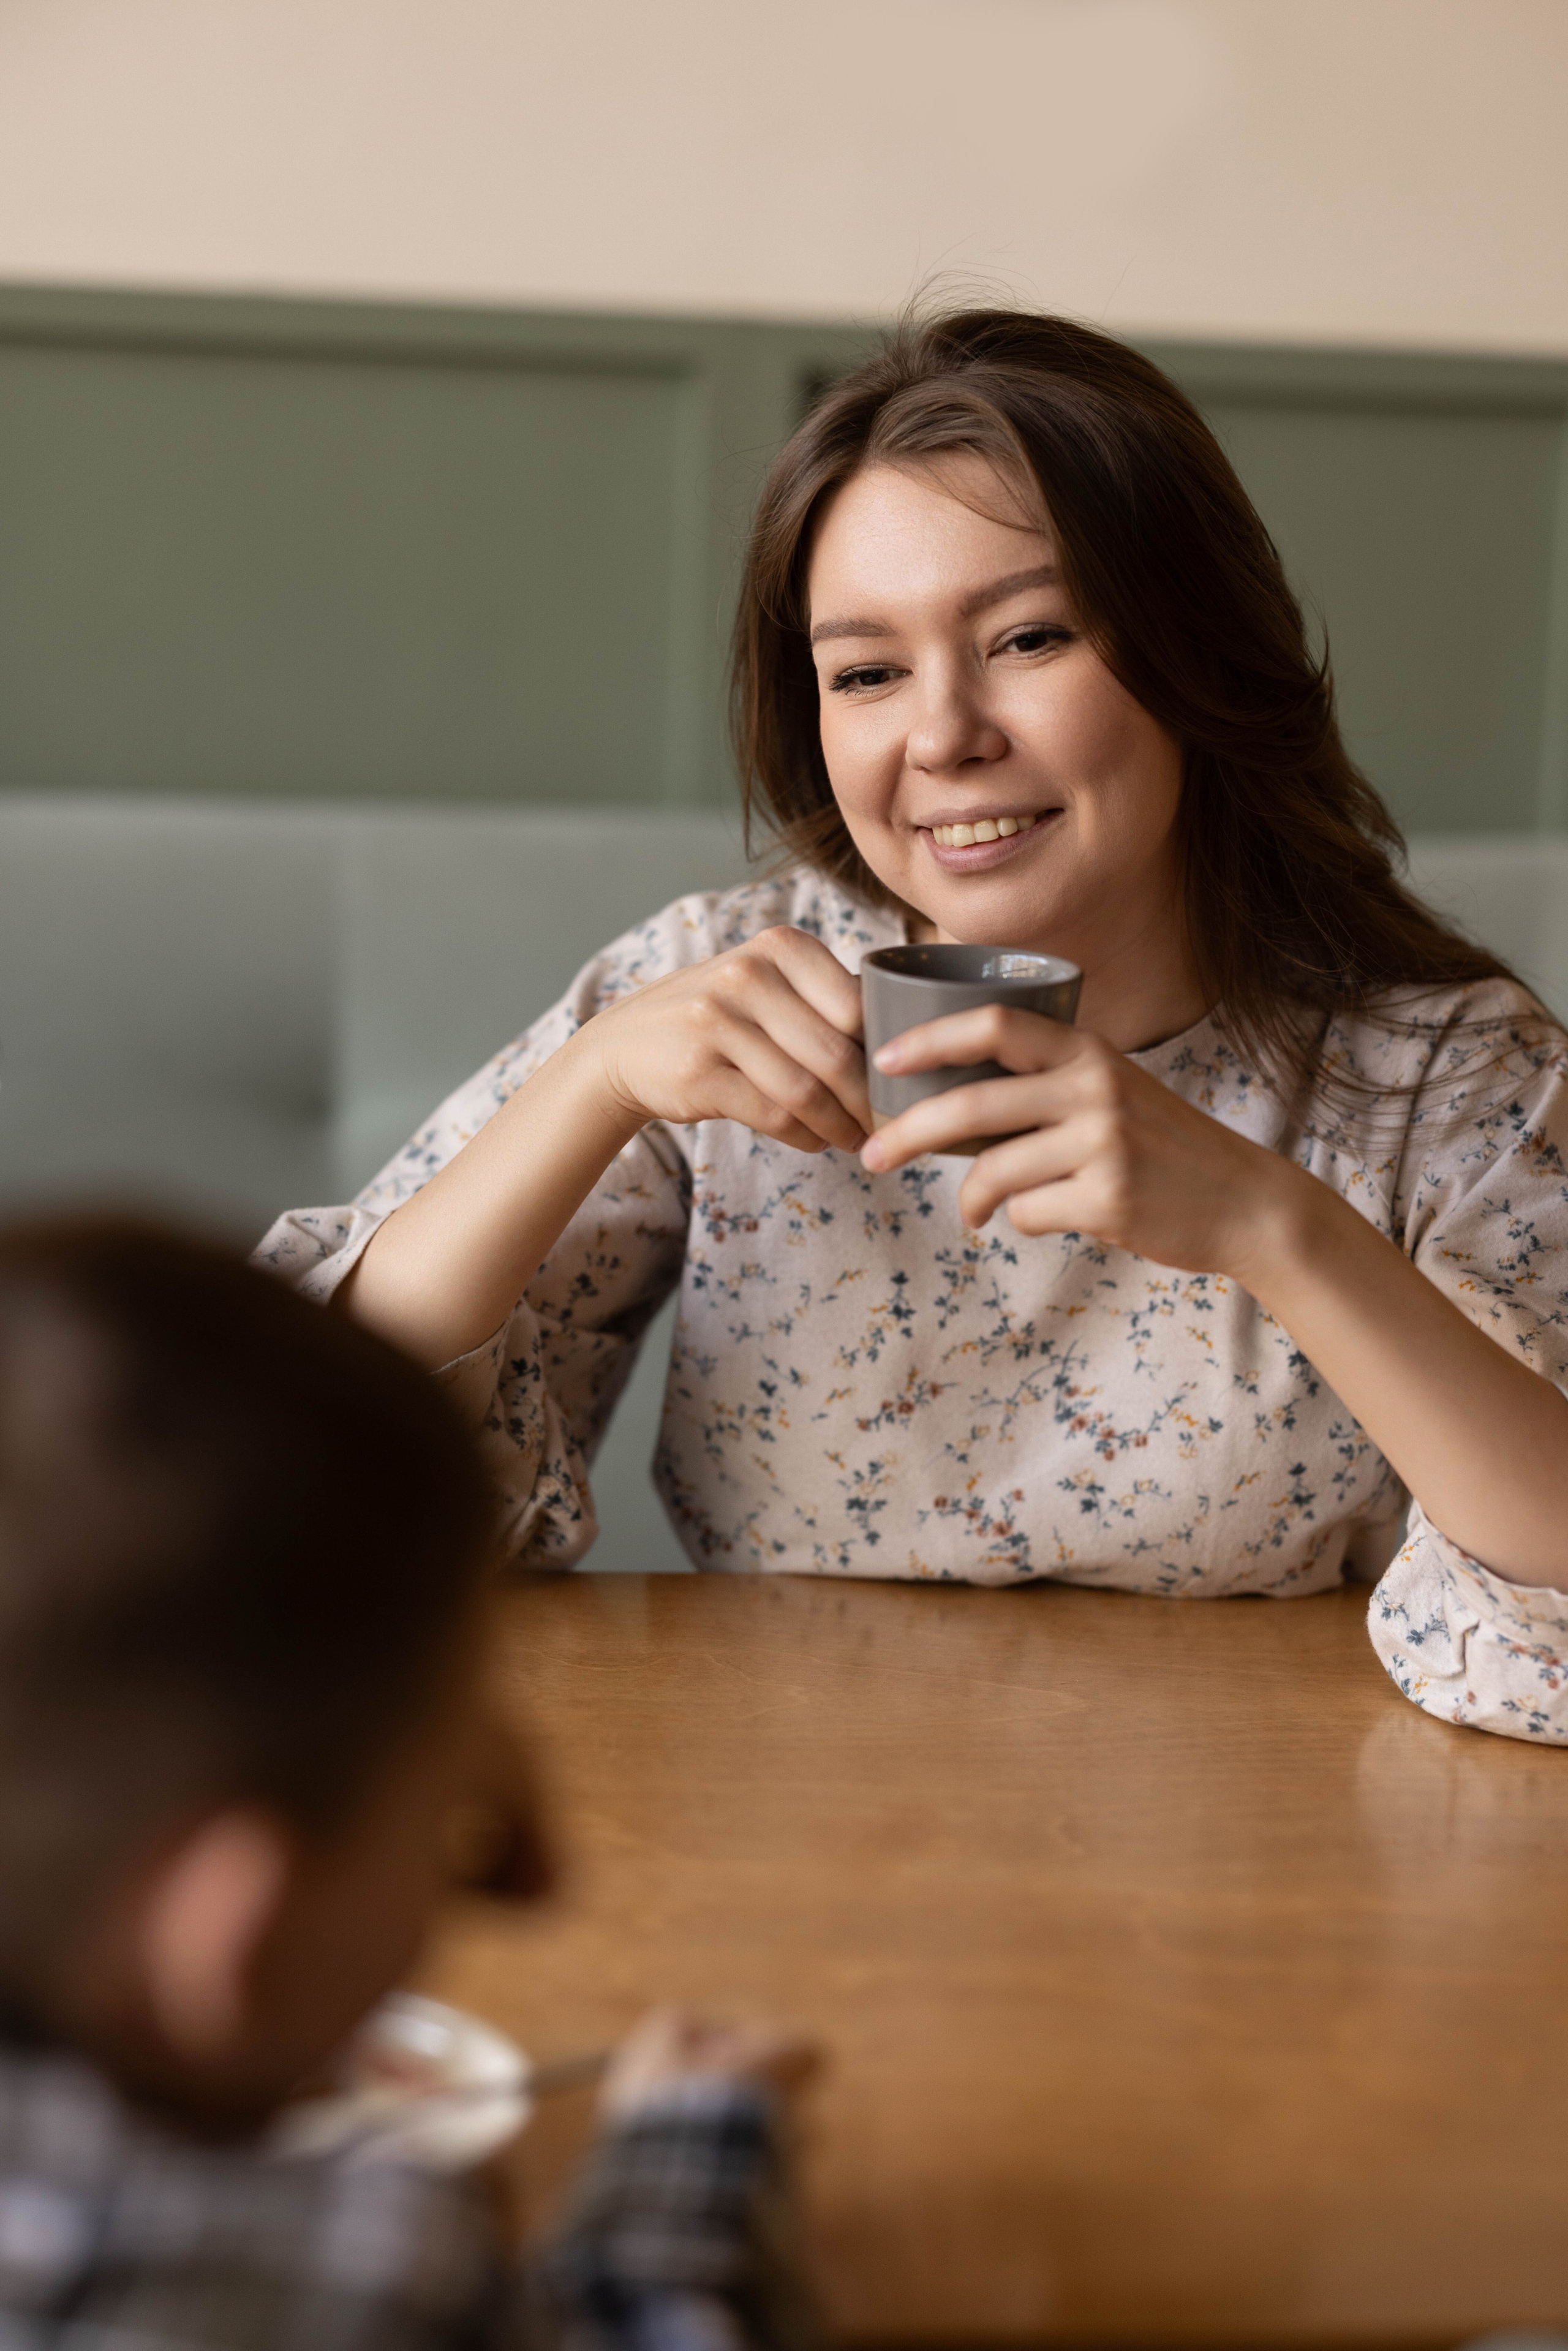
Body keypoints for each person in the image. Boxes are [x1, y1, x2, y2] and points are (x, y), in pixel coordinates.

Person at [258, 308, 1568, 1745]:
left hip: (1275, 1869)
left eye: (1027, 636)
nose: (941, 735)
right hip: (780, 1839)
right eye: (866, 671)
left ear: (1199, 654)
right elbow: (310, 1477)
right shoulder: (721, 982)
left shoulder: (1450, 1073)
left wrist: (1273, 1225)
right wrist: (589, 1084)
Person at [0, 1215, 817, 2350]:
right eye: (450, 1844)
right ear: (241, 1940)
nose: (529, 1876)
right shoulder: (360, 2268)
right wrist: (693, 2156)